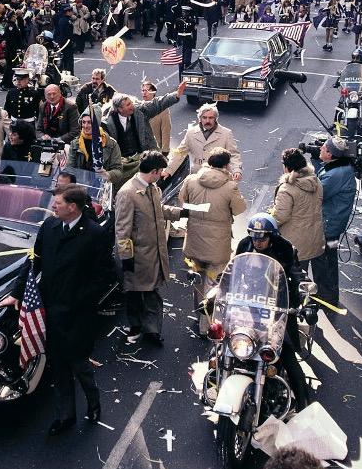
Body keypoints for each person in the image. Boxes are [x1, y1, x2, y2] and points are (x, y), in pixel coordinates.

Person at [6, 185, 112, 435]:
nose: (53, 206)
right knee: (58, 366)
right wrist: (16, 293)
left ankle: (93, 402)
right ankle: (65, 416)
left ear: (72, 207)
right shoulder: (49, 228)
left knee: (78, 364)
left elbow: (104, 276)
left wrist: (79, 300)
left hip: (78, 315)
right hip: (51, 311)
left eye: (58, 203)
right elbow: (34, 262)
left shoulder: (94, 234)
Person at [232, 214, 311, 409]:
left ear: (272, 236)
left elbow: (297, 273)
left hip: (279, 309)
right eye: (254, 237)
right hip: (249, 305)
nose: (258, 242)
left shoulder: (285, 249)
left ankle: (304, 403)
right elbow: (233, 270)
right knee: (226, 344)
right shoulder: (245, 245)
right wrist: (218, 289)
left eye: (262, 237)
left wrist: (306, 299)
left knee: (286, 354)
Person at [115, 151, 188, 346]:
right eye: (161, 171)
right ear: (154, 171)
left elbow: (159, 210)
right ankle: (137, 327)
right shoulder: (128, 193)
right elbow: (122, 229)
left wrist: (181, 213)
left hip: (154, 254)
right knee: (135, 294)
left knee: (151, 293)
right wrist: (126, 257)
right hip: (138, 256)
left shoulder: (153, 188)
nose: (162, 174)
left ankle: (152, 331)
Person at [178, 149, 246, 336]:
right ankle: (206, 326)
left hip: (194, 241)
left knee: (198, 282)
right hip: (218, 245)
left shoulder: (191, 180)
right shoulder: (230, 186)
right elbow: (239, 209)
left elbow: (182, 200)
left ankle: (198, 316)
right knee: (213, 286)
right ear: (226, 165)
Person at [269, 148, 326, 311]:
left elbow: (280, 217)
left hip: (293, 242)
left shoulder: (287, 188)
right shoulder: (316, 181)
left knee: (290, 279)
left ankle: (292, 308)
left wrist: (270, 216)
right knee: (304, 276)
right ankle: (305, 304)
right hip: (313, 238)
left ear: (286, 167)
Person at [102, 85, 186, 187]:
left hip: (143, 156)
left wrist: (176, 95)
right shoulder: (106, 123)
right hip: (122, 161)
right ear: (119, 109)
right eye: (128, 105)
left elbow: (157, 104)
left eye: (131, 103)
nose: (132, 106)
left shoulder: (140, 111)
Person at [315, 137, 358, 310]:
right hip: (333, 222)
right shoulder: (340, 168)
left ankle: (326, 294)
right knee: (328, 258)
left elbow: (317, 194)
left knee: (324, 259)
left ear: (330, 154)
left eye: (323, 148)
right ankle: (328, 292)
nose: (320, 149)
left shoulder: (335, 174)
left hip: (328, 224)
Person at [167, 102, 241, 179]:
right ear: (200, 119)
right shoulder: (191, 133)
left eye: (211, 118)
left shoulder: (226, 133)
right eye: (204, 118)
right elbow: (180, 153)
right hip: (197, 175)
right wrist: (168, 170)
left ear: (215, 119)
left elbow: (233, 154)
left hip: (219, 176)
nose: (207, 121)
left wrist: (236, 170)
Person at [68, 112, 121, 179]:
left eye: (89, 122)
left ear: (97, 124)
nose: (86, 126)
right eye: (83, 122)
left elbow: (118, 170)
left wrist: (107, 174)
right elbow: (70, 169)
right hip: (81, 184)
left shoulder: (111, 144)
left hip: (102, 185)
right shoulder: (75, 143)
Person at [141, 80, 173, 153]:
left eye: (147, 90)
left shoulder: (162, 108)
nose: (144, 92)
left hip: (156, 150)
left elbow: (166, 129)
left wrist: (165, 150)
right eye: (143, 90)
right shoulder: (139, 107)